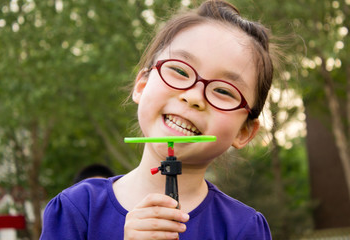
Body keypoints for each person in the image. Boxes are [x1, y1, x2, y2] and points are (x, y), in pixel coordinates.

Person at [40, 0, 276, 239]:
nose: (194, 97)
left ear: (244, 132)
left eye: (224, 91)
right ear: (142, 84)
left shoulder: (243, 228)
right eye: (180, 71)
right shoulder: (77, 209)